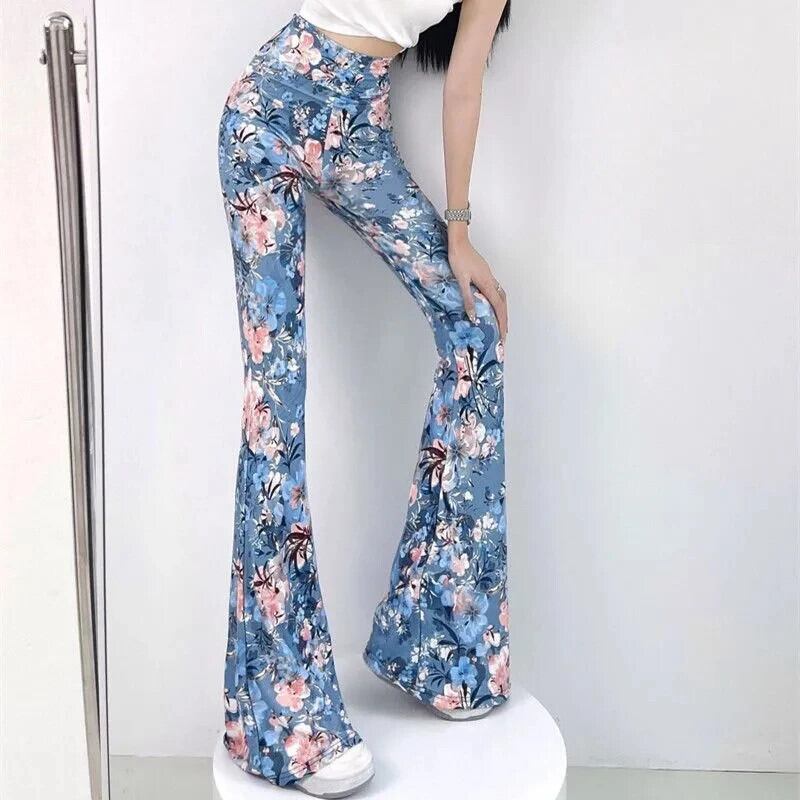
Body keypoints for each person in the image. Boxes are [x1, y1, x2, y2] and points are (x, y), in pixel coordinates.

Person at [217, 1, 511, 796]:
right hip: (269, 113)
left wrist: (457, 231)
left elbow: (464, 82)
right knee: (275, 404)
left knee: (473, 329)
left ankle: (434, 640)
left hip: (360, 130)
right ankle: (283, 720)